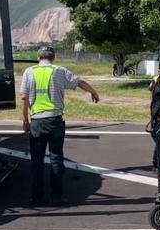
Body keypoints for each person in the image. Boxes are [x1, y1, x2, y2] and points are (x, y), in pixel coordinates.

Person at [20, 45, 100, 206]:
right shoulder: (59, 71)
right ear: (53, 57)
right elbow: (80, 82)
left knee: (37, 161)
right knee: (56, 159)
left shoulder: (29, 72)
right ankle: (56, 196)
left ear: (38, 57)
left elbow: (23, 98)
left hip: (36, 121)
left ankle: (36, 197)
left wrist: (25, 120)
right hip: (55, 120)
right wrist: (93, 92)